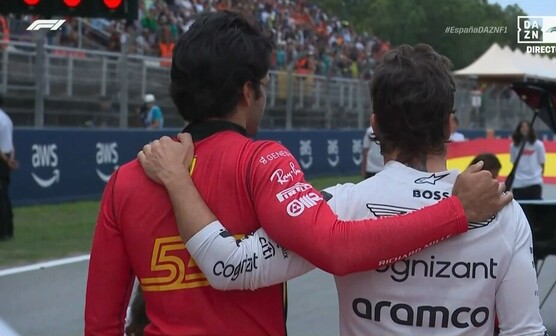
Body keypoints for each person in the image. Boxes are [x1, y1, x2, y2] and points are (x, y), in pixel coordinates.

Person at [85, 12, 511, 336]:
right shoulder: (261, 161)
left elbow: (101, 324)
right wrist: (456, 212)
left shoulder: (126, 180)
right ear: (248, 92)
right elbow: (337, 247)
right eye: (265, 86)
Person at [510, 120, 545, 200]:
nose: (524, 129)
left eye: (527, 127)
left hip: (534, 182)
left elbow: (542, 162)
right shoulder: (513, 146)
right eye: (522, 127)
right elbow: (514, 163)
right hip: (518, 183)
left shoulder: (538, 145)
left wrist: (539, 176)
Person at [0, 94, 18, 242]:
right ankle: (7, 230)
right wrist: (10, 159)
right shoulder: (6, 119)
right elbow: (10, 144)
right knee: (4, 195)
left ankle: (3, 231)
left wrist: (5, 160)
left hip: (2, 159)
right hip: (6, 157)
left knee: (1, 197)